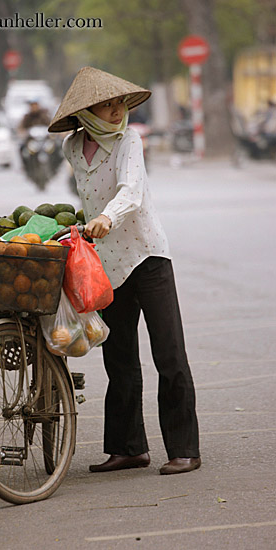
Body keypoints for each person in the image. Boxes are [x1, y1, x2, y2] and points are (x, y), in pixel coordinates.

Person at [48, 67, 200, 475]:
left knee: (169, 354)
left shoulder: (130, 140)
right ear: (85, 112)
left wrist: (107, 219)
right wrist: (83, 222)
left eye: (120, 103)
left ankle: (184, 449)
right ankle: (128, 447)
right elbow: (90, 194)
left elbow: (130, 190)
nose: (117, 111)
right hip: (108, 265)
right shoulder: (73, 147)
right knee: (119, 359)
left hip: (147, 256)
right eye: (107, 104)